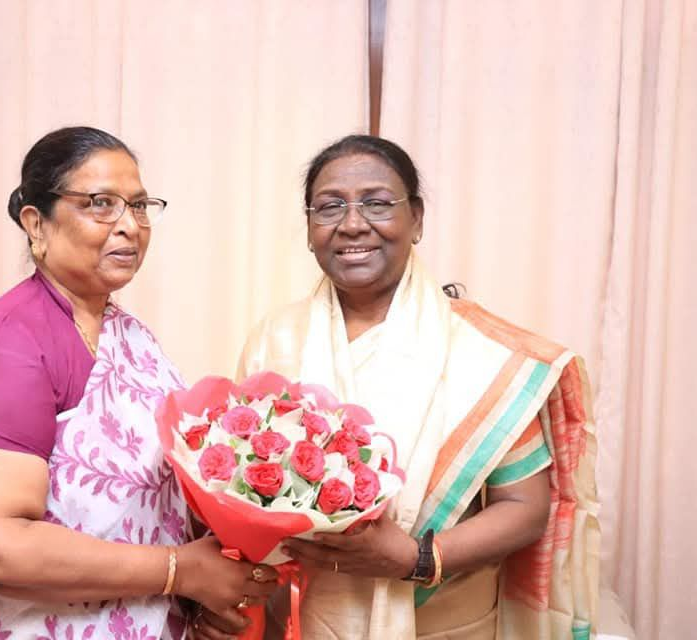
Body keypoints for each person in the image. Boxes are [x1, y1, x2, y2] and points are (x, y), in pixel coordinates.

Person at [0, 126, 276, 639]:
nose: (129, 226)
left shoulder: (128, 335)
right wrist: (180, 571)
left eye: (138, 206)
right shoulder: (3, 346)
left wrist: (198, 594)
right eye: (100, 204)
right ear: (36, 223)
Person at [224, 135, 599, 639]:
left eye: (377, 203)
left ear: (416, 219)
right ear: (310, 227)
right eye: (330, 207)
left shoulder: (480, 352)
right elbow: (238, 486)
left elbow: (524, 507)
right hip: (300, 618)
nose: (353, 224)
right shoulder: (274, 338)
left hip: (446, 621)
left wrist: (418, 558)